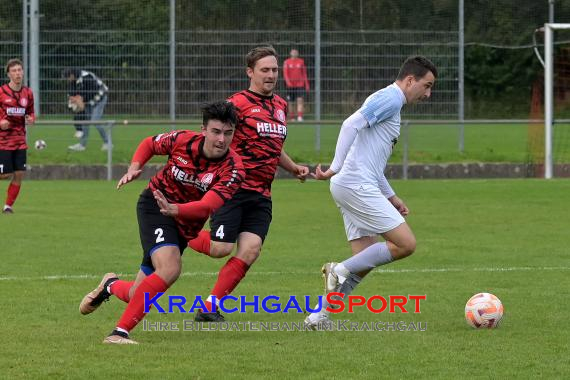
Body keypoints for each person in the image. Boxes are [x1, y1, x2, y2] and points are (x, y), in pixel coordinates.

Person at [78, 101, 245, 344]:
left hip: (183, 222)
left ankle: (110, 285)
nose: (222, 139)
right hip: (154, 206)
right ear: (204, 129)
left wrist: (176, 210)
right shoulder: (182, 140)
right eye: (216, 132)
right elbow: (149, 144)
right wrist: (135, 167)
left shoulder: (233, 168)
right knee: (170, 267)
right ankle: (118, 334)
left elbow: (209, 205)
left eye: (228, 133)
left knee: (138, 294)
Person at [304, 56, 437, 328]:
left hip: (355, 183)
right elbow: (349, 125)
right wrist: (335, 167)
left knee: (362, 262)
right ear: (410, 80)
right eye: (427, 85)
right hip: (354, 184)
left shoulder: (393, 104)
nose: (428, 94)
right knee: (405, 244)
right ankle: (337, 269)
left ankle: (319, 316)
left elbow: (371, 161)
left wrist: (391, 196)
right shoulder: (391, 98)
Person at [187, 46, 309, 322]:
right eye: (264, 70)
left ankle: (209, 308)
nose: (271, 75)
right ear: (250, 72)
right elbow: (211, 138)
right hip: (233, 188)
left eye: (275, 70)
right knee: (220, 249)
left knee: (251, 249)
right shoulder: (236, 104)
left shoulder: (280, 105)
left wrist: (293, 168)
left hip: (261, 193)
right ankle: (179, 229)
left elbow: (273, 146)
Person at [0, 58, 35, 214]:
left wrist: (31, 119)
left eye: (19, 70)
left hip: (20, 140)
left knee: (19, 173)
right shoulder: (1, 92)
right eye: (14, 71)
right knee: (5, 174)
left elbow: (31, 112)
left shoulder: (27, 93)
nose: (17, 73)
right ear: (8, 74)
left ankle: (8, 206)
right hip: (3, 141)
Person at [63, 68, 110, 152]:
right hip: (89, 100)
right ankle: (82, 145)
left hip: (100, 97)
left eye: (68, 78)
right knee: (85, 120)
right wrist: (73, 103)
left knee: (95, 121)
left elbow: (92, 92)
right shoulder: (73, 80)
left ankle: (108, 143)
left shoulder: (87, 78)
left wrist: (81, 101)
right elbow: (71, 94)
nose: (68, 80)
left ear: (72, 75)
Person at [283, 48, 309, 122]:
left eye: (295, 52)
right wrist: (288, 82)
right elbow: (285, 74)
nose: (294, 53)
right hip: (290, 86)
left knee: (300, 100)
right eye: (293, 52)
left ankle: (300, 117)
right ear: (290, 53)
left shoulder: (301, 61)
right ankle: (292, 117)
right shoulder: (287, 62)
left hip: (300, 85)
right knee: (291, 102)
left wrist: (306, 84)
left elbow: (304, 74)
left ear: (297, 53)